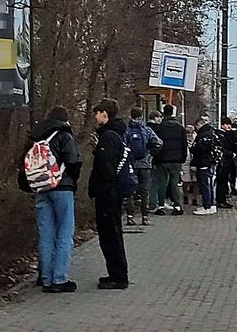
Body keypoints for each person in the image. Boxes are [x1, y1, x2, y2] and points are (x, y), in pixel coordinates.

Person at [25, 106, 81, 293]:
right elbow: (73, 161)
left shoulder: (36, 136)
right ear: (65, 120)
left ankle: (46, 278)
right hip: (62, 188)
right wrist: (72, 181)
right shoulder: (65, 136)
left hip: (41, 188)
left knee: (46, 234)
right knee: (65, 232)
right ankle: (60, 278)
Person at [88, 98, 129, 290]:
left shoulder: (109, 137)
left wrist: (99, 187)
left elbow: (106, 168)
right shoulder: (115, 135)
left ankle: (118, 276)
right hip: (112, 193)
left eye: (97, 113)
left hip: (108, 194)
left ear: (105, 114)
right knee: (111, 233)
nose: (95, 116)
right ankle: (115, 273)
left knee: (110, 234)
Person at [125, 107, 163, 226]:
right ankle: (145, 217)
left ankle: (130, 216)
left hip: (131, 164)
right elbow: (159, 143)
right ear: (142, 116)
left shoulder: (126, 130)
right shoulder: (146, 130)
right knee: (145, 191)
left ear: (131, 115)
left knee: (129, 191)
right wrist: (150, 154)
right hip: (145, 164)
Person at [151, 104, 188, 216]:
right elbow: (184, 145)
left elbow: (156, 144)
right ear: (173, 112)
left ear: (163, 113)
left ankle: (161, 206)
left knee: (162, 183)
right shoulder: (180, 128)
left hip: (162, 159)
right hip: (176, 160)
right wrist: (183, 158)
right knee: (175, 183)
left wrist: (155, 157)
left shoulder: (159, 128)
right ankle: (177, 206)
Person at [191, 117, 220, 215]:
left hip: (203, 162)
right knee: (210, 184)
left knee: (205, 185)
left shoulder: (203, 135)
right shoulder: (212, 132)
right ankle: (211, 205)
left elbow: (198, 149)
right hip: (211, 162)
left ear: (199, 125)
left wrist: (192, 148)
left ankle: (206, 206)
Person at [216, 117, 234, 209]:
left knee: (223, 181)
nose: (229, 126)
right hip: (223, 162)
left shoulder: (224, 134)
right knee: (222, 181)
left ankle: (221, 199)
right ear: (222, 125)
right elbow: (223, 148)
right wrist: (231, 153)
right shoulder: (221, 135)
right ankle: (221, 200)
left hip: (225, 161)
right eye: (227, 124)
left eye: (229, 124)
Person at [182, 125, 199, 206]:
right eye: (187, 132)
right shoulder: (182, 140)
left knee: (195, 181)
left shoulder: (197, 138)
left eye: (190, 132)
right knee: (186, 181)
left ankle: (194, 198)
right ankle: (185, 196)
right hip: (185, 162)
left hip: (195, 161)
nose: (189, 134)